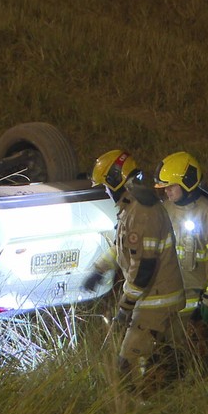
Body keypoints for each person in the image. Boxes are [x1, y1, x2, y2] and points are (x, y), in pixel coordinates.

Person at [83, 150, 186, 394]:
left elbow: (143, 269)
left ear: (115, 181)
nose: (106, 193)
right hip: (153, 297)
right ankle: (164, 396)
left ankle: (138, 411)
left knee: (127, 366)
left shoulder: (142, 214)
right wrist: (98, 270)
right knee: (158, 357)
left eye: (105, 187)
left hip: (156, 300)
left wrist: (125, 306)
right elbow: (125, 250)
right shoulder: (132, 207)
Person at [154, 151, 208, 363]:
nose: (167, 192)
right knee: (174, 344)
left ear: (187, 183)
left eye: (171, 186)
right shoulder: (166, 210)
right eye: (164, 188)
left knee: (206, 347)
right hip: (175, 290)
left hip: (200, 294)